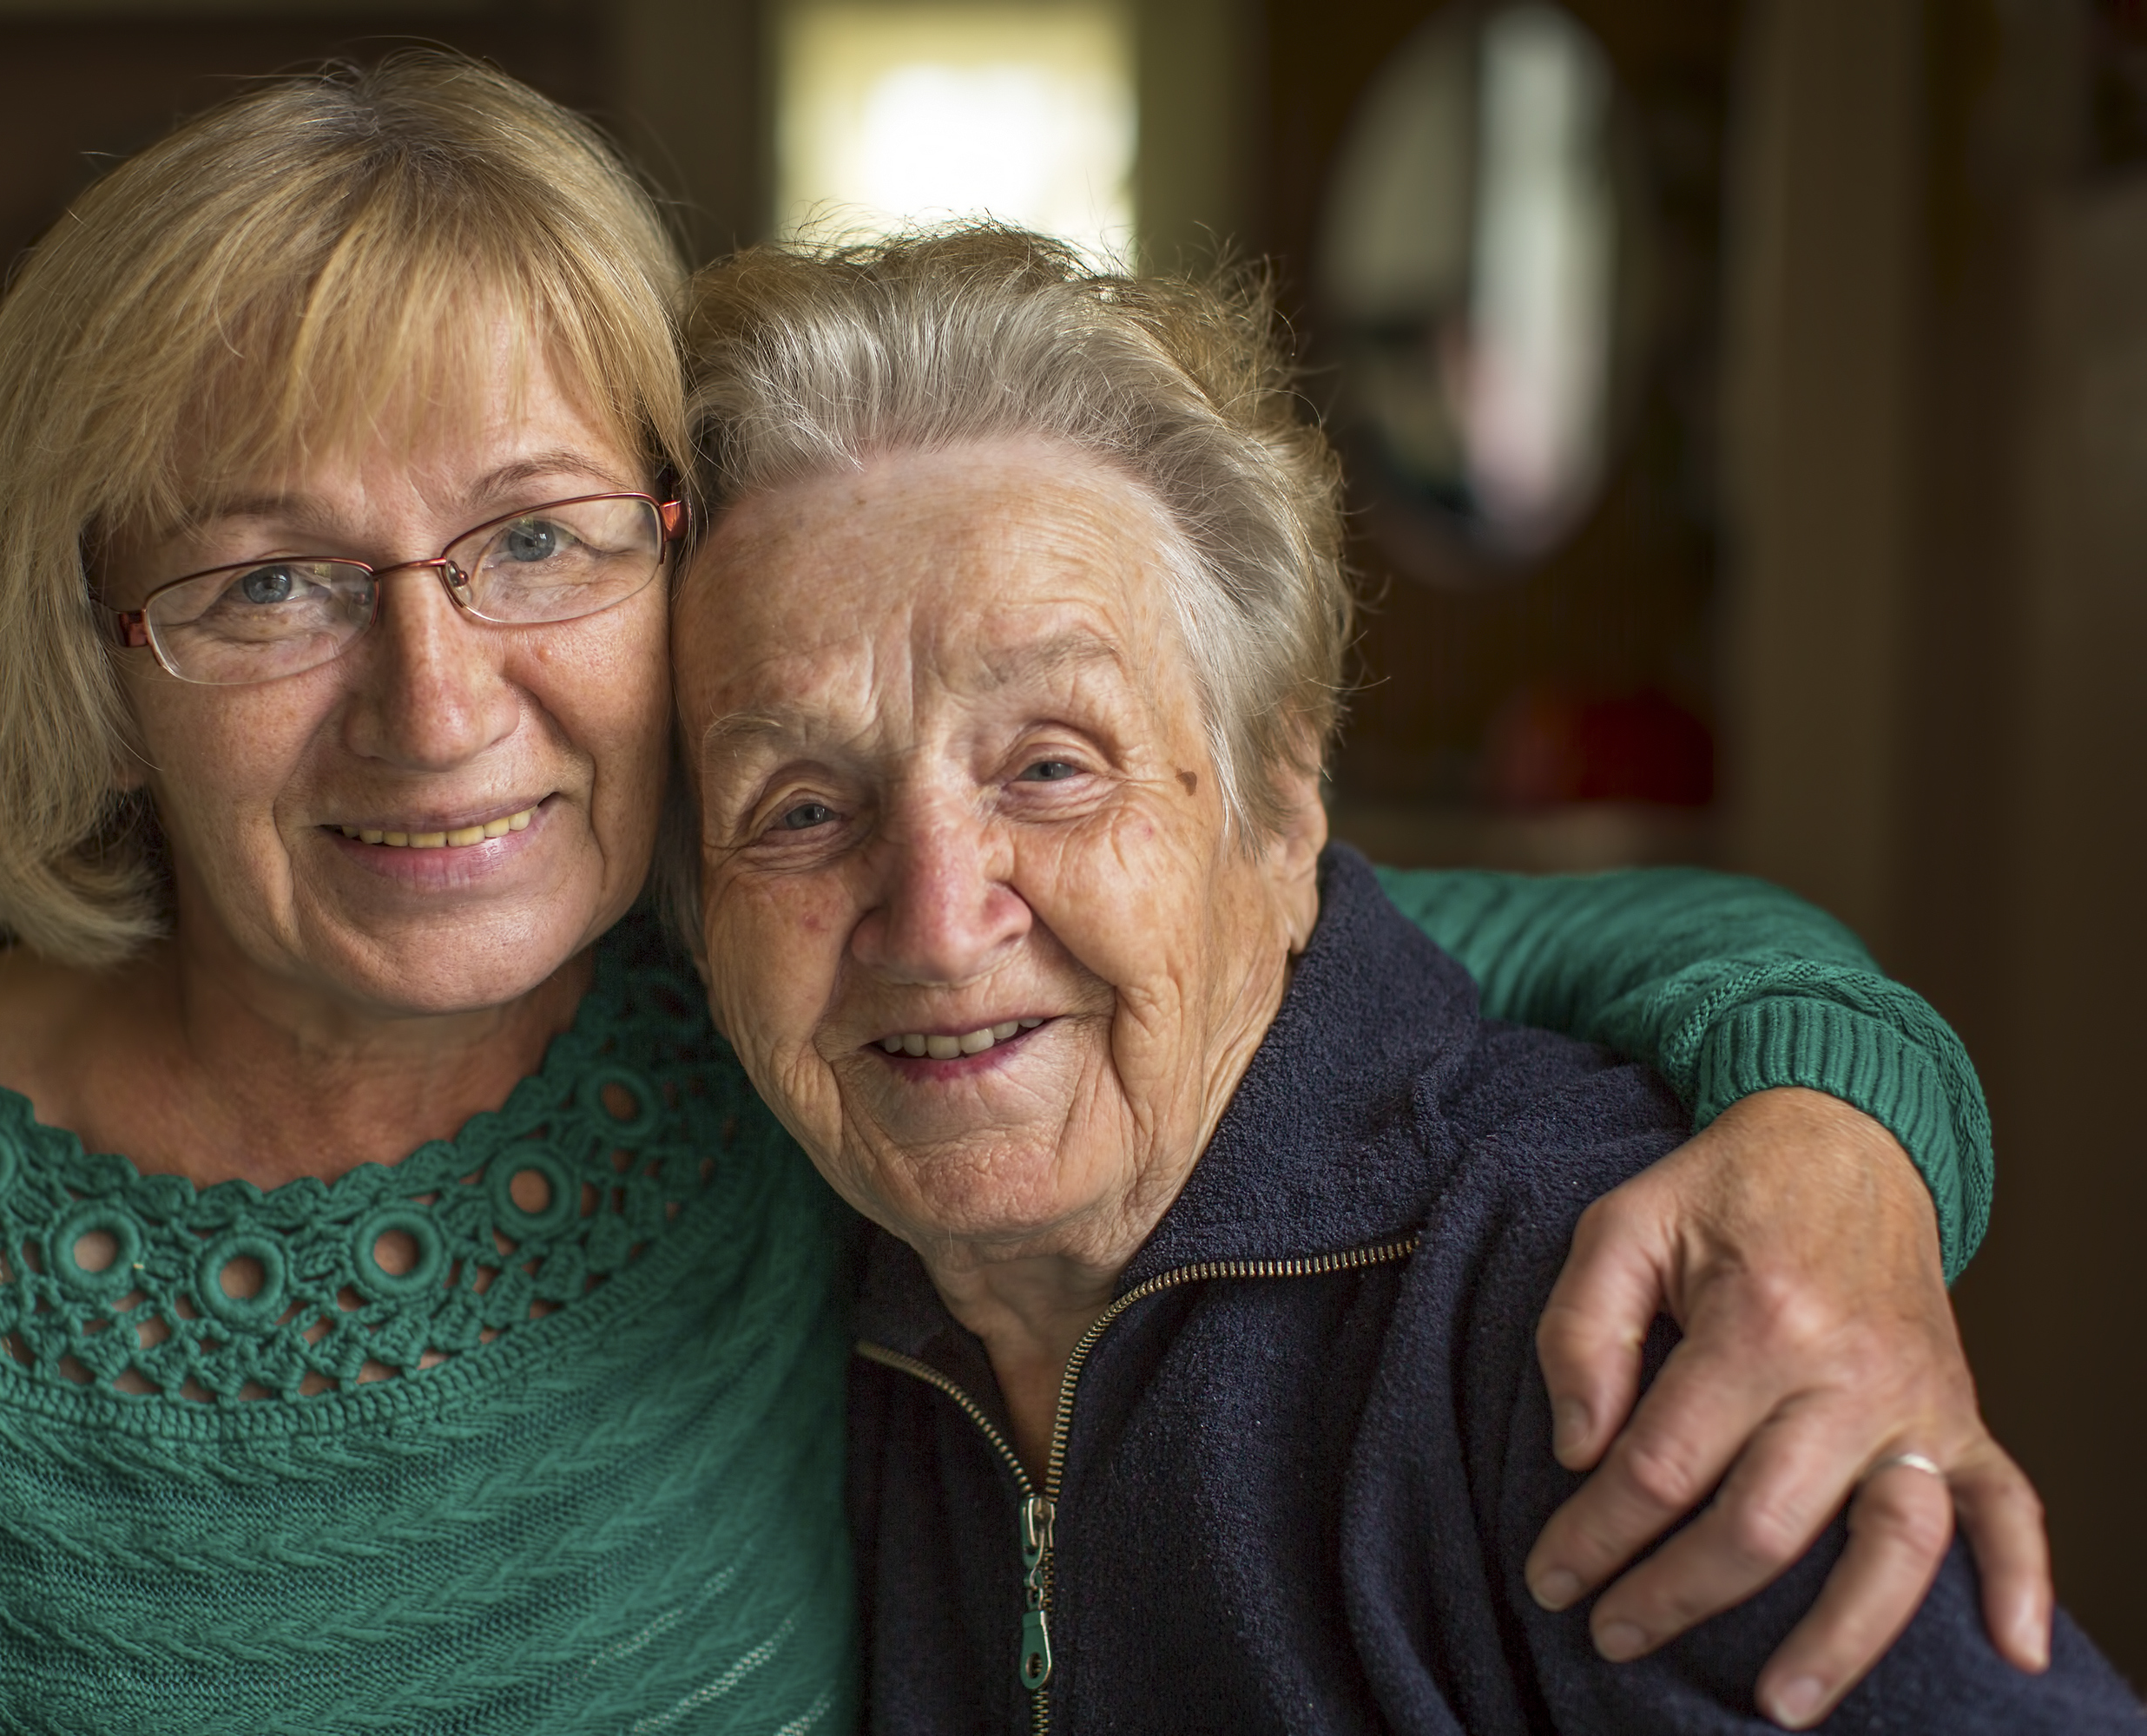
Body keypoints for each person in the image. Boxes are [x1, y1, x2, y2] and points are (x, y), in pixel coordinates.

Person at [0, 58, 2039, 1734]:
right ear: (95, 651)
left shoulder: (760, 1001)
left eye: (532, 542)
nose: (436, 708)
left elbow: (1540, 948)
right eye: (268, 586)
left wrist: (1850, 1151)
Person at [667, 223, 2132, 1733]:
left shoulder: (1579, 1308)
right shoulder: (762, 1279)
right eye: (800, 810)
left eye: (1052, 766)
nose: (933, 920)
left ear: (1283, 799)